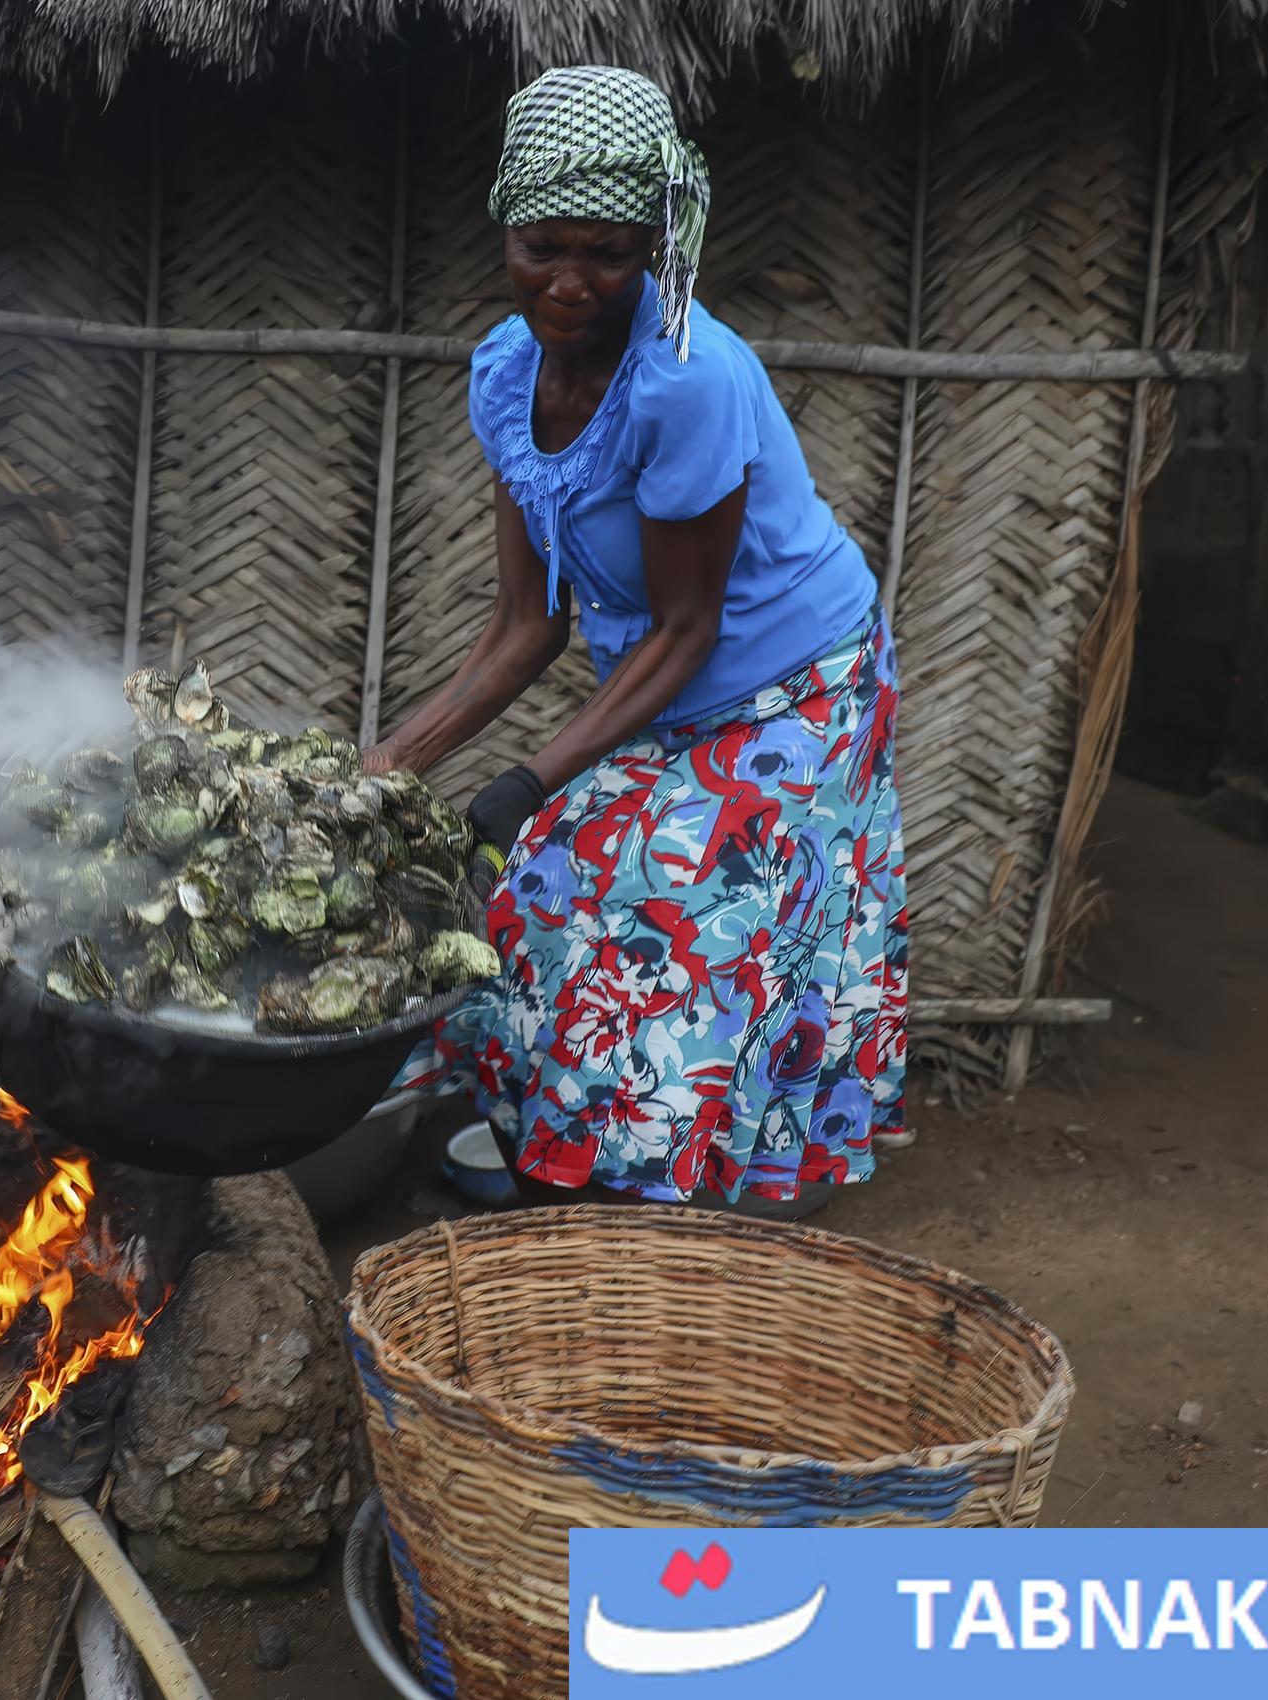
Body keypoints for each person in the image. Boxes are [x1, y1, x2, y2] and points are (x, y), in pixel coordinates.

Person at [368, 67, 910, 1221]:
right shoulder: (505, 375)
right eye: (541, 248)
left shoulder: (686, 379)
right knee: (539, 889)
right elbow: (527, 625)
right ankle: (569, 1155)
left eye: (608, 254)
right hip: (669, 680)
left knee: (676, 912)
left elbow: (686, 626)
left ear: (655, 243)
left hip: (798, 684)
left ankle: (674, 1199)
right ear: (505, 230)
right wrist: (384, 768)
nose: (569, 283)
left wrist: (524, 782)